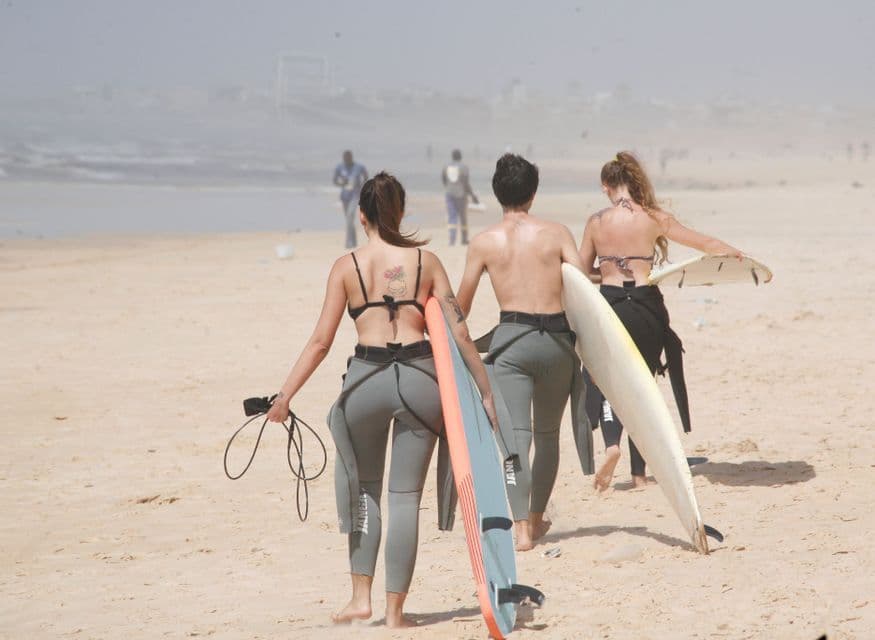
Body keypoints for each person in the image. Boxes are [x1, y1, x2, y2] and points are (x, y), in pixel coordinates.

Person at [265, 172, 496, 628]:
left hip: (366, 380)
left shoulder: (346, 266)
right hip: (419, 379)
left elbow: (320, 342)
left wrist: (284, 396)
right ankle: (395, 611)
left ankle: (359, 598)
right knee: (405, 496)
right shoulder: (425, 262)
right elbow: (459, 329)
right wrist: (484, 391)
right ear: (401, 212)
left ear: (362, 214)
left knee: (364, 490)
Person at [579, 151, 743, 491]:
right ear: (633, 181)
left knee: (610, 382)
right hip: (646, 305)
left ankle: (612, 446)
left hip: (610, 304)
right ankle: (640, 476)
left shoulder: (596, 222)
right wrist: (738, 256)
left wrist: (606, 271)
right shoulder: (653, 217)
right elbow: (705, 244)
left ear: (607, 186)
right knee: (644, 386)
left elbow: (580, 271)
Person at [456, 154, 594, 551]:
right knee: (548, 436)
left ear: (497, 194)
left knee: (517, 439)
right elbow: (583, 288)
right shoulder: (557, 233)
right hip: (555, 343)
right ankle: (535, 520)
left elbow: (460, 307)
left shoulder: (484, 243)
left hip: (512, 343)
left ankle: (520, 529)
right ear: (533, 193)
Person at [442, 149, 479, 246]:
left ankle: (452, 240)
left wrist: (450, 188)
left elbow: (444, 180)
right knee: (463, 217)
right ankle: (464, 239)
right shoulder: (464, 167)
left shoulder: (446, 166)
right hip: (461, 195)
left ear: (452, 157)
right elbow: (466, 183)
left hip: (449, 194)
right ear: (460, 157)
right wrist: (472, 195)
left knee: (452, 217)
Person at [333, 150, 369, 248]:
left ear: (351, 157)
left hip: (355, 195)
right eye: (345, 158)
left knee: (350, 216)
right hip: (345, 196)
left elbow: (366, 176)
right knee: (349, 220)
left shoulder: (358, 167)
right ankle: (354, 240)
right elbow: (335, 181)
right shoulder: (340, 167)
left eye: (348, 158)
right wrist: (342, 183)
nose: (347, 160)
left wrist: (361, 185)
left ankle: (348, 242)